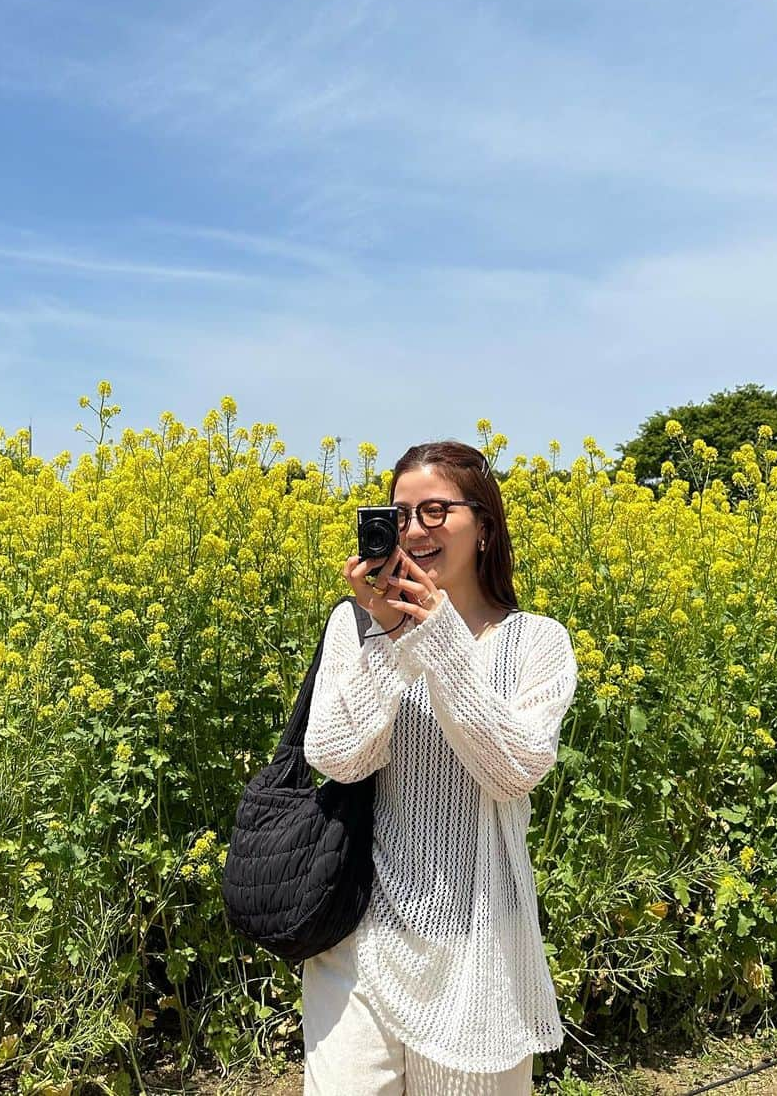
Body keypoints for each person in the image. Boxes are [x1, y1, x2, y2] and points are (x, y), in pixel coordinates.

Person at [301, 440, 579, 1095]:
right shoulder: (357, 628)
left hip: (483, 959)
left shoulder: (538, 642)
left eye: (435, 511)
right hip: (361, 948)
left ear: (484, 526)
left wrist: (439, 641)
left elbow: (512, 771)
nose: (414, 530)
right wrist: (392, 640)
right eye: (399, 515)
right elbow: (337, 756)